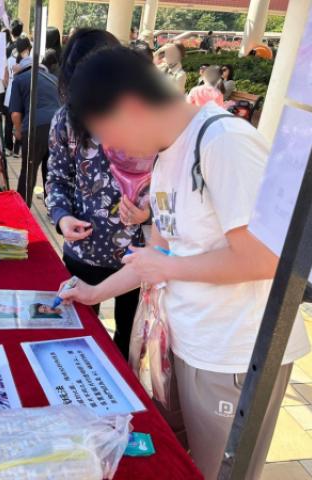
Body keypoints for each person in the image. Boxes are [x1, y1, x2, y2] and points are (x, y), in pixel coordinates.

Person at [64, 46, 311, 479]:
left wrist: (169, 268)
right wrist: (94, 293)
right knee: (177, 462)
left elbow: (268, 257)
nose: (111, 148)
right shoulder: (168, 156)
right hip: (185, 341)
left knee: (218, 471)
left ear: (132, 106)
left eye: (108, 133)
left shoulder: (224, 143)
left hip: (232, 355)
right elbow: (159, 253)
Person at [46, 29, 150, 360]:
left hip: (137, 253)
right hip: (84, 248)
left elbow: (168, 187)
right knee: (77, 337)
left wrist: (148, 213)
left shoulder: (146, 117)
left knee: (129, 342)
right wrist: (62, 217)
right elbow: (57, 177)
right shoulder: (66, 120)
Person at [9, 37, 61, 206]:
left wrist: (18, 131)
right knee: (52, 169)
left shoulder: (19, 80)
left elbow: (15, 114)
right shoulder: (53, 79)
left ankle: (22, 207)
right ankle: (53, 206)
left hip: (36, 126)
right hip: (59, 126)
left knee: (29, 170)